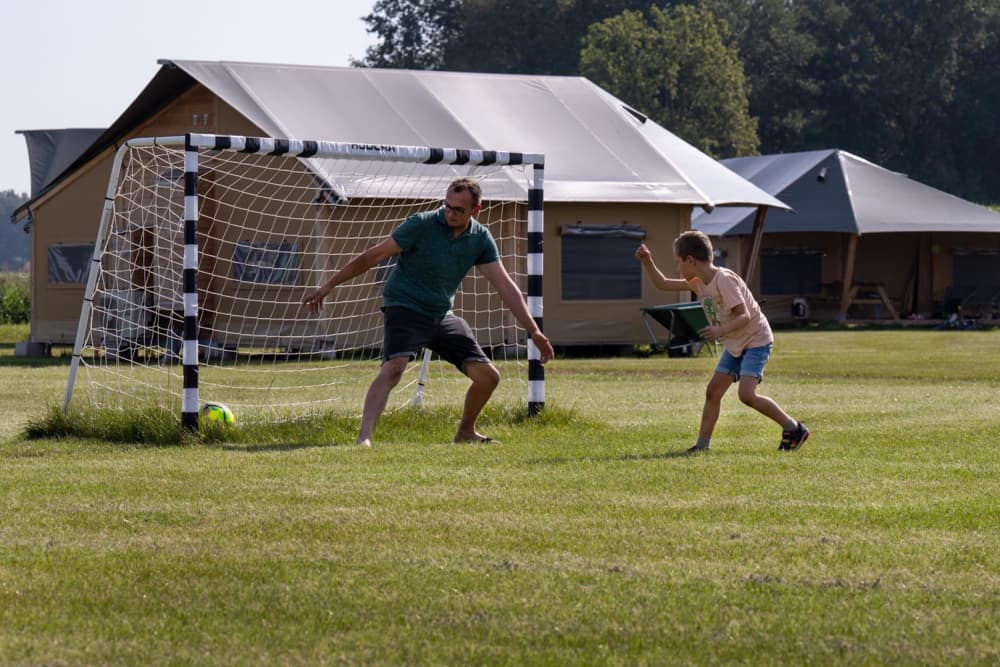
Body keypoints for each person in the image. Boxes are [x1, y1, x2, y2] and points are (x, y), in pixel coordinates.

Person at [303, 177, 554, 447]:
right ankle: (364, 438)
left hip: (441, 314)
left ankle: (465, 433)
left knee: (488, 377)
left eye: (458, 209)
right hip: (405, 305)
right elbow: (370, 257)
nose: (450, 213)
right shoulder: (421, 224)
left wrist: (535, 331)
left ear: (476, 210)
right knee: (395, 368)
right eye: (447, 206)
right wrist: (328, 285)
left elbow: (505, 286)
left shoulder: (480, 239)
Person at [635, 230, 809, 452]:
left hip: (756, 339)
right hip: (735, 342)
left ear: (691, 260)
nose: (677, 268)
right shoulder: (698, 281)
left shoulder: (723, 280)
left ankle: (794, 429)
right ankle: (701, 447)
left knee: (746, 395)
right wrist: (647, 261)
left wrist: (720, 330)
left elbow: (744, 315)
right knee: (713, 392)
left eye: (678, 262)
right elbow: (662, 283)